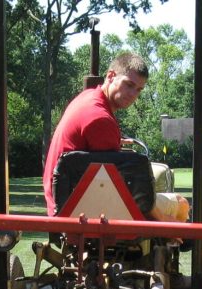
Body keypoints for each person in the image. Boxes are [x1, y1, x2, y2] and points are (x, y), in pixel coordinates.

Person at [42, 52, 149, 215]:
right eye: (129, 85)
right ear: (111, 76)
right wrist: (168, 220)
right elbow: (121, 187)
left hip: (62, 202)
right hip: (77, 209)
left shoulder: (87, 98)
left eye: (139, 90)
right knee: (178, 205)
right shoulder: (100, 118)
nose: (133, 94)